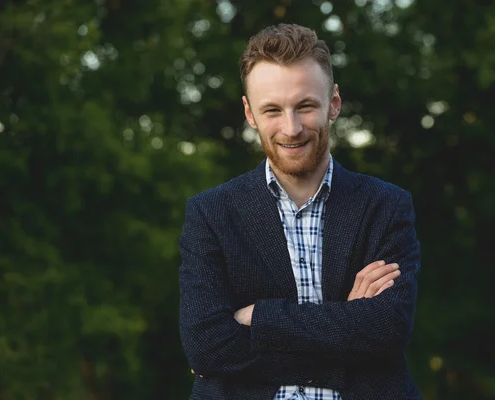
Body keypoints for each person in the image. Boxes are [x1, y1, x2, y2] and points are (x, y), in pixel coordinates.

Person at [178, 23, 421, 400]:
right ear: (250, 113)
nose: (290, 128)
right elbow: (207, 346)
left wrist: (260, 317)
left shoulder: (385, 206)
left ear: (334, 104)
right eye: (272, 110)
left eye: (305, 106)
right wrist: (346, 331)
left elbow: (386, 330)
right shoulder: (211, 213)